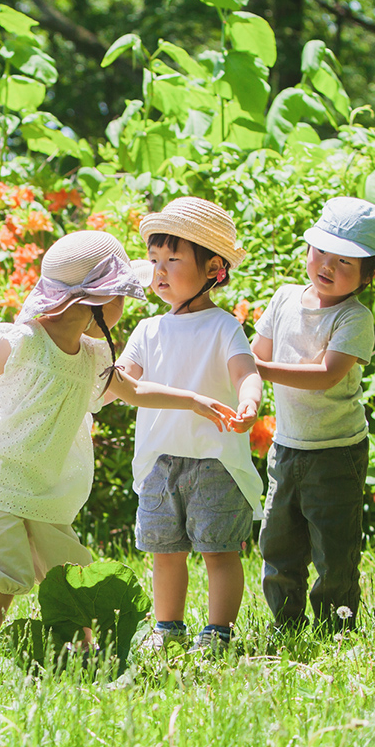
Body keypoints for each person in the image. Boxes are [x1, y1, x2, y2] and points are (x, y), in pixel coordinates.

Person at [0, 230, 237, 655]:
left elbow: (136, 391)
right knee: (5, 576)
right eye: (121, 296)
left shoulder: (94, 356)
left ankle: (85, 654)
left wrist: (192, 399)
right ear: (99, 301)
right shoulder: (25, 340)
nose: (125, 306)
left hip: (41, 486)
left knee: (70, 573)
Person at [118, 197, 263, 654]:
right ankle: (168, 627)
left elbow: (246, 371)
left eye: (173, 259)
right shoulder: (147, 331)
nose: (159, 271)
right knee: (166, 550)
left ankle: (218, 631)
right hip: (161, 460)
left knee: (219, 550)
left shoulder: (223, 327)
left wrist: (250, 401)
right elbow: (121, 380)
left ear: (213, 267)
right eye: (154, 260)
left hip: (214, 460)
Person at [252, 196, 375, 632]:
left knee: (333, 547)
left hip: (336, 453)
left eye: (345, 263)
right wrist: (245, 391)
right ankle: (286, 622)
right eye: (321, 253)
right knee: (277, 540)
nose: (327, 267)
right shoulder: (283, 300)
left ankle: (337, 625)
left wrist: (255, 368)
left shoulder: (354, 318)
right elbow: (257, 353)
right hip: (286, 446)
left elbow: (325, 375)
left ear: (371, 275)